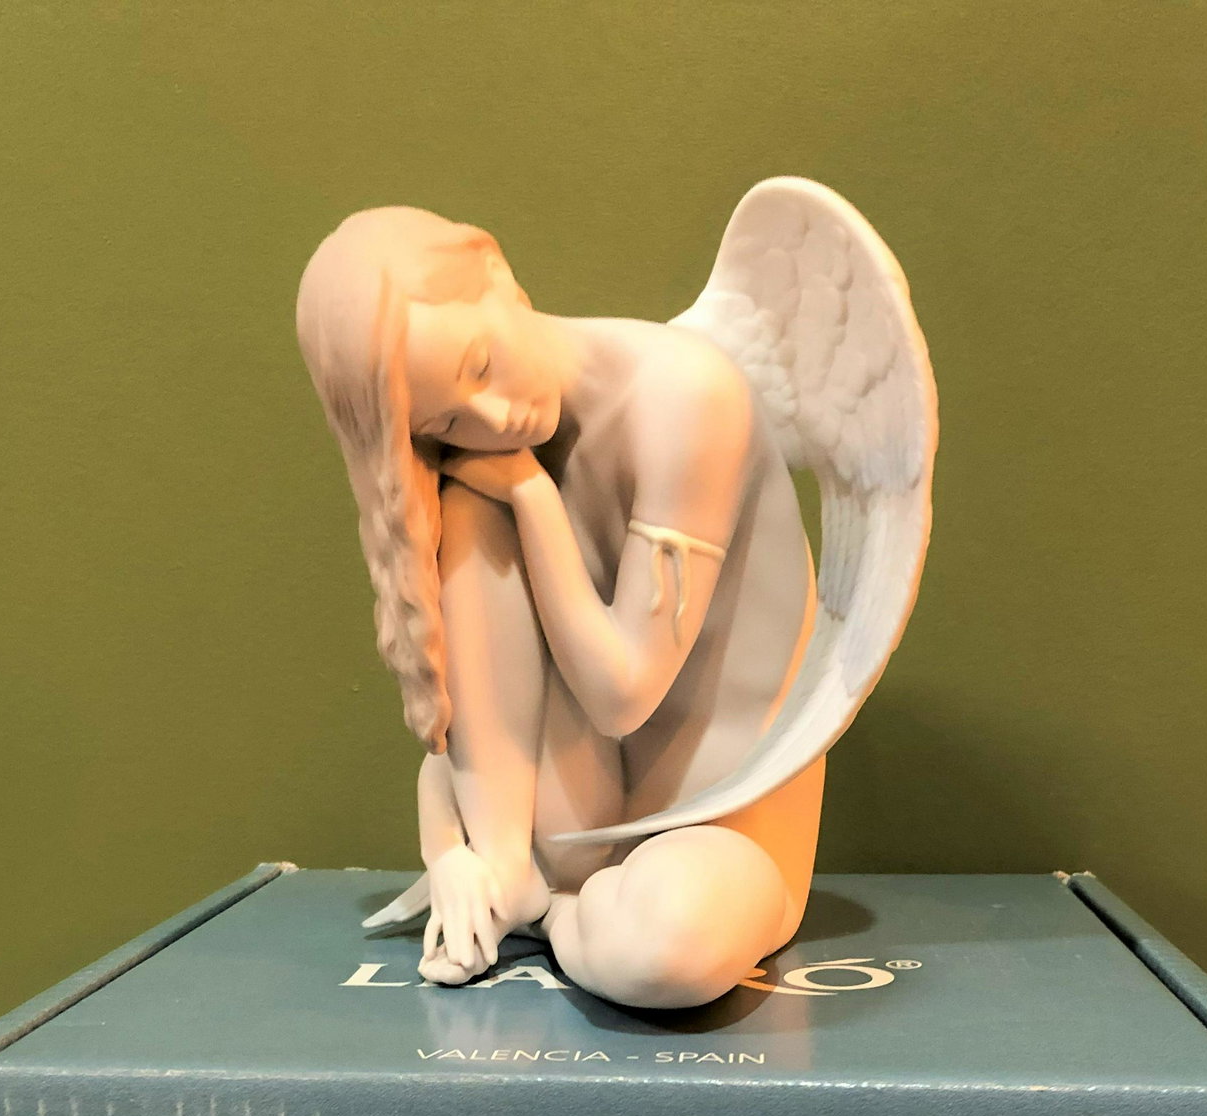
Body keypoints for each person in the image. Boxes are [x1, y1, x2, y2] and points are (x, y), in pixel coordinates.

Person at [297, 205, 822, 1009]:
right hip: (573, 823)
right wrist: (458, 855)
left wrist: (533, 497)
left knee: (669, 953)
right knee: (465, 508)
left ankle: (553, 914)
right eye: (447, 419)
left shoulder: (684, 394)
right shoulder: (482, 469)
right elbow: (459, 739)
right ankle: (519, 879)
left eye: (479, 366)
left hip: (721, 821)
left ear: (495, 270)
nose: (495, 419)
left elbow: (622, 696)